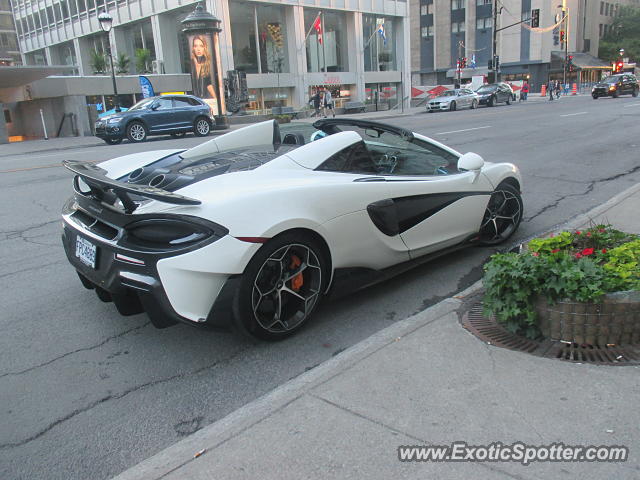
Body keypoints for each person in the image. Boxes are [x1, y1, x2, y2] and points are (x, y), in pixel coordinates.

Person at [191, 35, 216, 100]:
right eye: (196, 46)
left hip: (203, 100)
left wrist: (215, 99)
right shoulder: (190, 63)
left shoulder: (205, 63)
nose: (198, 49)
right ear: (193, 48)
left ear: (204, 48)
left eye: (201, 46)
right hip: (192, 101)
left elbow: (208, 84)